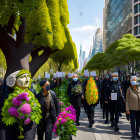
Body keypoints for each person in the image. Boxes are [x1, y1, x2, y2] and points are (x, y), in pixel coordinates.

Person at [0, 70, 38, 140]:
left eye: (28, 77)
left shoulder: (32, 91)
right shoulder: (6, 92)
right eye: (23, 77)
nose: (26, 79)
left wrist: (31, 117)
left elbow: (36, 108)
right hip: (10, 125)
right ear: (15, 80)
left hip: (28, 125)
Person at [126, 76, 140, 140]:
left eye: (135, 80)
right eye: (133, 80)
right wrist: (127, 109)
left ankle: (137, 132)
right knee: (133, 122)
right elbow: (127, 100)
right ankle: (133, 134)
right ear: (131, 82)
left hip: (139, 109)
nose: (134, 81)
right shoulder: (129, 89)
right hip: (132, 109)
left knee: (138, 122)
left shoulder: (139, 88)